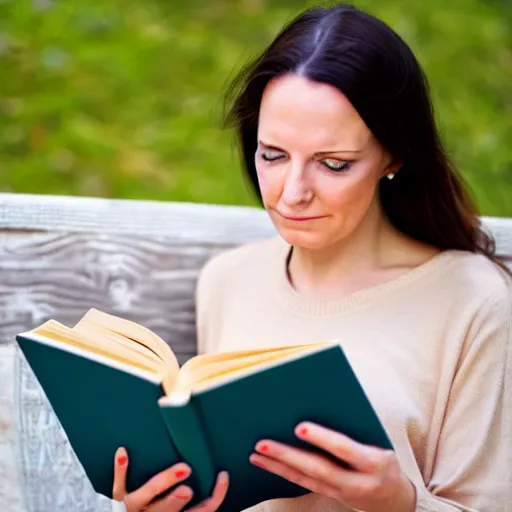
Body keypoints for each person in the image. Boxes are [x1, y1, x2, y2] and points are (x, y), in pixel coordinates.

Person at [111, 3, 512, 511]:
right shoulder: (228, 280)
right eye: (273, 155)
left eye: (334, 163)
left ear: (394, 155)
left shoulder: (471, 301)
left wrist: (401, 502)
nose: (292, 193)